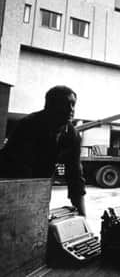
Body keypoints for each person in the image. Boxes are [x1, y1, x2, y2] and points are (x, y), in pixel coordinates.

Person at [0, 85, 86, 215]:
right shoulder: (28, 125)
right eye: (64, 104)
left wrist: (82, 216)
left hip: (42, 186)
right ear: (50, 106)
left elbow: (75, 176)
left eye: (73, 104)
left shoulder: (72, 135)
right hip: (11, 183)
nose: (70, 109)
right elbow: (17, 168)